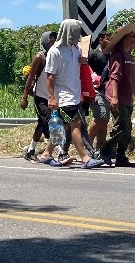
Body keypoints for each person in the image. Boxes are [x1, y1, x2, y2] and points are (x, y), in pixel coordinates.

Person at [40, 21, 103, 168]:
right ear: (69, 32)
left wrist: (82, 61)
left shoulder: (75, 49)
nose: (78, 35)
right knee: (76, 124)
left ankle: (46, 153)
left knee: (64, 126)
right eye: (76, 31)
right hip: (63, 96)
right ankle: (85, 158)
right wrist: (51, 97)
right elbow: (50, 76)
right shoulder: (55, 51)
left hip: (75, 94)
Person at [100, 23, 135, 168]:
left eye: (134, 36)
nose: (133, 39)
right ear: (122, 39)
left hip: (127, 97)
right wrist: (115, 97)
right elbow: (114, 78)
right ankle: (104, 150)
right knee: (121, 126)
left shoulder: (130, 56)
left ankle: (121, 156)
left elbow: (132, 81)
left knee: (127, 128)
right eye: (130, 36)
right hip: (117, 96)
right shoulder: (117, 56)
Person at [20, 30, 55, 161]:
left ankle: (30, 150)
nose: (52, 42)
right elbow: (30, 78)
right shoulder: (40, 57)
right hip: (40, 96)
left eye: (54, 40)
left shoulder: (55, 56)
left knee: (41, 124)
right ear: (45, 41)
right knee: (50, 121)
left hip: (51, 97)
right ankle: (60, 151)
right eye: (50, 40)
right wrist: (24, 98)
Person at [87, 32, 112, 152]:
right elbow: (86, 69)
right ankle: (88, 145)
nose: (110, 41)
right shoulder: (93, 54)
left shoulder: (111, 55)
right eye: (108, 39)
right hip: (95, 90)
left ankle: (100, 150)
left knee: (105, 119)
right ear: (101, 40)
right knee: (100, 115)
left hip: (107, 91)